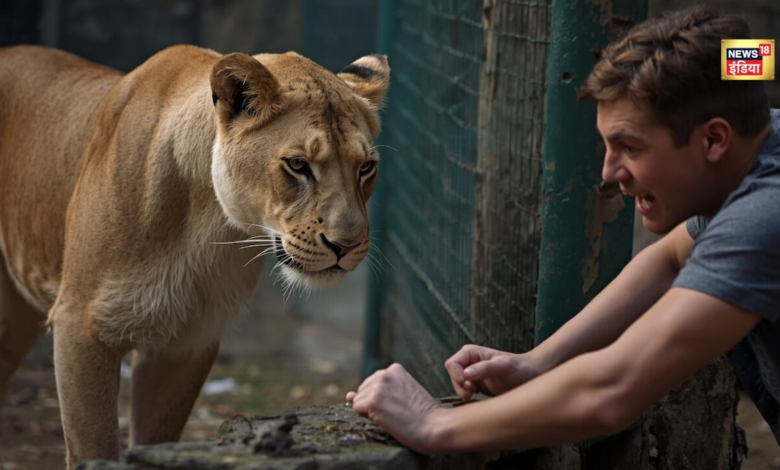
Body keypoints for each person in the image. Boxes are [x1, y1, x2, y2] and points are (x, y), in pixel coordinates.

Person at [346, 5, 780, 454]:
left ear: (714, 139)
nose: (609, 173)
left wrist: (432, 423)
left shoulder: (763, 215)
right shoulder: (757, 148)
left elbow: (613, 391)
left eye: (630, 147)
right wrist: (539, 362)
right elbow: (670, 258)